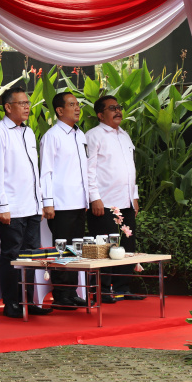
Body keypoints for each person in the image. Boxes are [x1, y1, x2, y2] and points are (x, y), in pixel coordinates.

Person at [0, 87, 53, 318]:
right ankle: (12, 302)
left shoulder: (28, 132)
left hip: (32, 206)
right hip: (13, 206)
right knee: (12, 255)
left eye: (28, 103)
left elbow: (34, 171)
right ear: (8, 107)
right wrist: (2, 205)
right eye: (21, 103)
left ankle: (28, 300)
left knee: (30, 255)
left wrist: (42, 202)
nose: (27, 107)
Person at [86, 95, 144, 302]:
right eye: (112, 108)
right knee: (104, 247)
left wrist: (134, 196)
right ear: (100, 115)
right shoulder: (93, 136)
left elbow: (131, 168)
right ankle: (101, 290)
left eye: (119, 107)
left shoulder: (124, 135)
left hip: (126, 201)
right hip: (105, 201)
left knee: (127, 245)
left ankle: (122, 287)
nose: (118, 111)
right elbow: (89, 169)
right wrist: (94, 198)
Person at [40, 92, 90, 310]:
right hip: (61, 203)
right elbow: (46, 171)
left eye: (78, 104)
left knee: (75, 249)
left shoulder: (80, 135)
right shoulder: (52, 136)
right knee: (62, 249)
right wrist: (48, 201)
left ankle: (72, 291)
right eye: (72, 105)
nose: (77, 108)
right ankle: (61, 294)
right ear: (60, 111)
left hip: (79, 201)